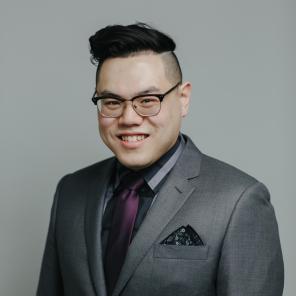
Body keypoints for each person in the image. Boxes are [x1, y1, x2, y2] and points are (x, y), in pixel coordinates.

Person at [37, 23, 284, 296]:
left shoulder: (239, 202)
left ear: (183, 99)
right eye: (111, 101)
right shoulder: (71, 192)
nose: (128, 118)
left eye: (147, 100)